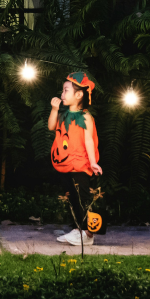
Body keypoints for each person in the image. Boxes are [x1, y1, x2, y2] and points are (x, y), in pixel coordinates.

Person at [47, 71, 103, 246]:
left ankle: (88, 234)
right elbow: (51, 127)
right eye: (63, 91)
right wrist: (54, 109)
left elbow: (88, 140)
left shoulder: (85, 117)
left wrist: (93, 162)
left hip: (79, 165)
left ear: (79, 95)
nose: (62, 94)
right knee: (71, 198)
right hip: (65, 164)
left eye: (66, 91)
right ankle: (77, 229)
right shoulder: (63, 114)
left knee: (83, 199)